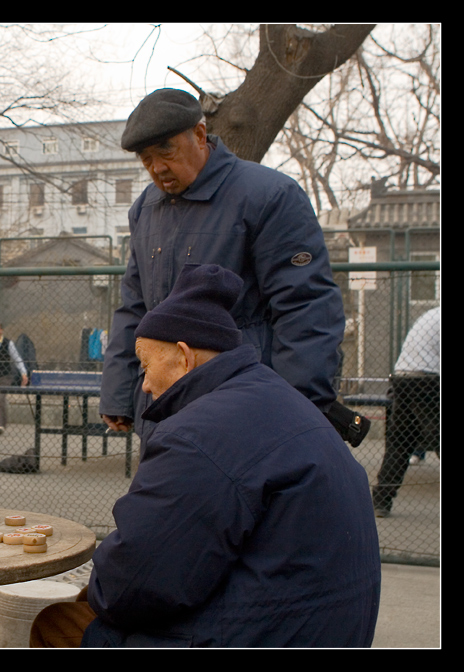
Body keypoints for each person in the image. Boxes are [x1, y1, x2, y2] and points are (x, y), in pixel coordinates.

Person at [31, 264, 381, 648]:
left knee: (59, 623)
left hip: (264, 635)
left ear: (184, 357)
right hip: (324, 628)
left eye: (146, 366)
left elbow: (132, 584)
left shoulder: (197, 435)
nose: (145, 386)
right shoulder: (280, 398)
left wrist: (102, 583)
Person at [100, 88, 351, 442]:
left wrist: (300, 409)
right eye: (146, 158)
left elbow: (306, 307)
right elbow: (135, 307)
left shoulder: (269, 196)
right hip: (163, 410)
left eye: (166, 150)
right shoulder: (145, 209)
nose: (157, 167)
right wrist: (119, 392)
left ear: (200, 135)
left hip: (246, 409)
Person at [372, 306, 440, 517]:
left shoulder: (432, 315)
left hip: (403, 377)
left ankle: (381, 500)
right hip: (427, 380)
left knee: (400, 442)